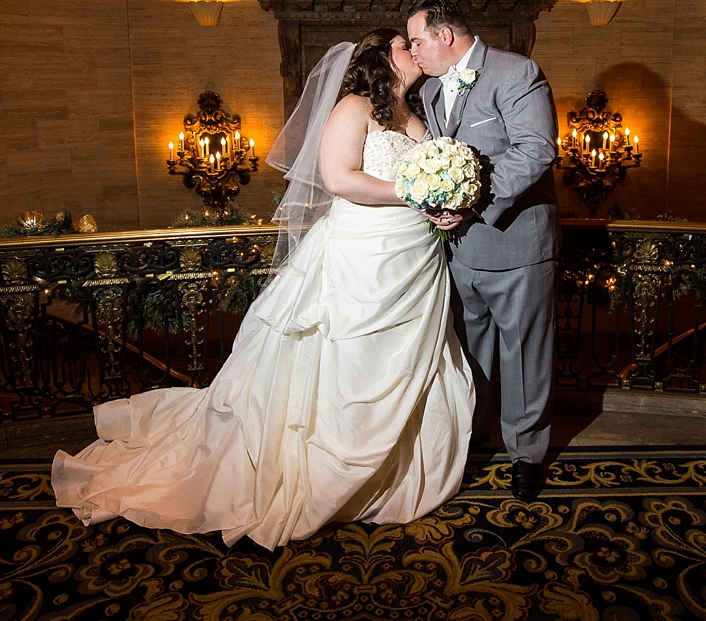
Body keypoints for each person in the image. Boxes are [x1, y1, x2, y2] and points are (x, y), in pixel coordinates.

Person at [52, 29, 475, 550]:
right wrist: (416, 189)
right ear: (378, 62)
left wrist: (445, 201)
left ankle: (392, 469)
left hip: (415, 262)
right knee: (342, 362)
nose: (414, 51)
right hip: (359, 260)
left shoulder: (418, 115)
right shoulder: (353, 107)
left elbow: (430, 177)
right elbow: (339, 179)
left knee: (409, 363)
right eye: (402, 45)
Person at [405, 0, 560, 503]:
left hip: (516, 244)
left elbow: (535, 149)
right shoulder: (427, 91)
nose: (414, 52)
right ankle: (474, 437)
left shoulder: (517, 73)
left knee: (524, 353)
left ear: (444, 35)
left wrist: (469, 201)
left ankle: (527, 455)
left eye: (417, 41)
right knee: (471, 353)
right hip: (460, 250)